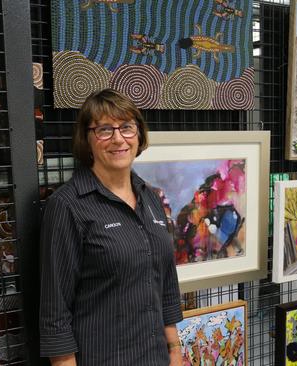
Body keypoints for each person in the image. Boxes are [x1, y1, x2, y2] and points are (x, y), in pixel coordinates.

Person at [39, 89, 183, 366]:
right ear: (87, 139)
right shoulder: (67, 206)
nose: (118, 138)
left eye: (127, 127)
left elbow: (165, 284)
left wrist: (175, 351)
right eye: (105, 129)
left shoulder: (150, 197)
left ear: (139, 135)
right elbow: (55, 313)